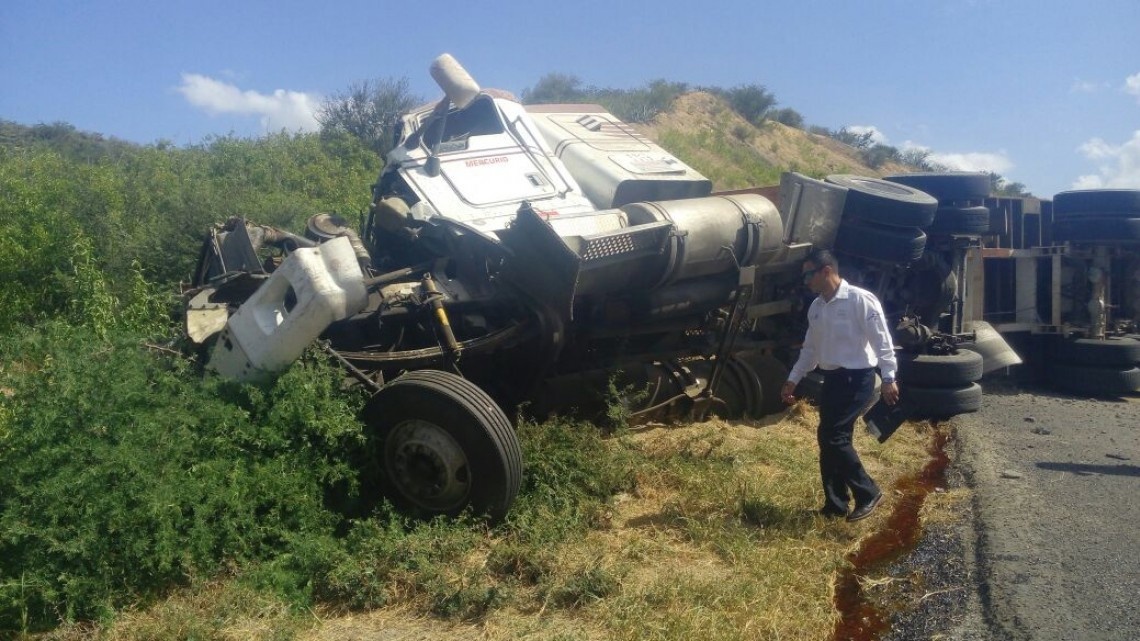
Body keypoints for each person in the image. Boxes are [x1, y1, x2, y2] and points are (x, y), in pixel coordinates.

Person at [780, 249, 900, 522]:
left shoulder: (860, 300)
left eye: (809, 274)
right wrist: (793, 378)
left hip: (858, 378)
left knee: (835, 437)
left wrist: (890, 377)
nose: (805, 281)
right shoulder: (817, 307)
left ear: (826, 271)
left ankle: (868, 491)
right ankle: (835, 504)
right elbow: (810, 350)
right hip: (833, 379)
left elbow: (883, 342)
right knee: (827, 437)